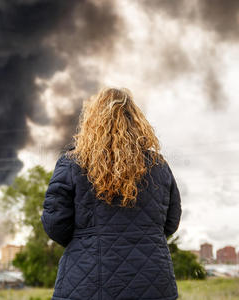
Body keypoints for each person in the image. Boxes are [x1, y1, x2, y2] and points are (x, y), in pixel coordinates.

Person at [41, 87, 182, 300]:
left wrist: (87, 239)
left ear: (91, 122)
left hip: (85, 286)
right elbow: (171, 222)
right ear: (136, 121)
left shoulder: (71, 164)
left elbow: (55, 224)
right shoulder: (159, 166)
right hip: (153, 283)